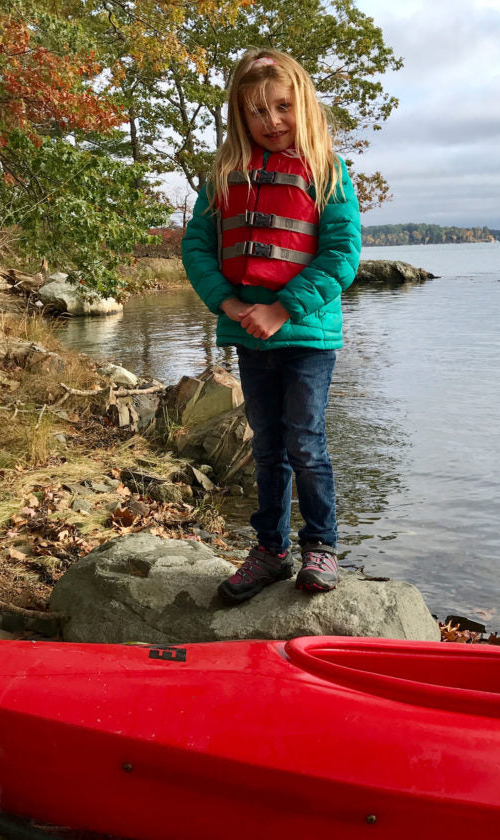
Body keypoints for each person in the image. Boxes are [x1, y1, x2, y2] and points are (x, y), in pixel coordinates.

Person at [181, 48, 361, 603]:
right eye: (258, 112)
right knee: (266, 446)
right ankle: (270, 551)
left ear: (301, 104)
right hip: (249, 335)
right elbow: (197, 248)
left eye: (282, 107)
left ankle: (321, 548)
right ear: (240, 115)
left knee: (306, 442)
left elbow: (342, 253)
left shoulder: (326, 170)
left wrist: (283, 309)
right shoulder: (224, 176)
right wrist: (229, 305)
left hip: (306, 336)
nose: (272, 122)